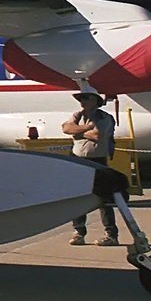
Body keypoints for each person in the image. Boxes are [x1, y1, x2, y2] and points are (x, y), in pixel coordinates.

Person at [64, 91, 119, 246]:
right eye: (81, 98)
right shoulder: (77, 115)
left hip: (98, 160)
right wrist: (85, 128)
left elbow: (97, 135)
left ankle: (111, 234)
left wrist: (77, 132)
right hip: (78, 159)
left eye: (87, 98)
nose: (83, 101)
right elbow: (66, 129)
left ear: (96, 100)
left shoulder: (104, 117)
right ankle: (78, 232)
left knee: (103, 198)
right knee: (77, 196)